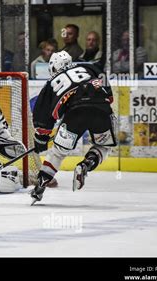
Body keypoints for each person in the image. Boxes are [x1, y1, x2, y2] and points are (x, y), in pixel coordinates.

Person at [30, 51, 116, 204]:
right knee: (104, 145)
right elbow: (108, 94)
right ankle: (86, 164)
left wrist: (41, 138)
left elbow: (42, 115)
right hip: (101, 109)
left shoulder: (51, 82)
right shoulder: (89, 68)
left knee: (58, 153)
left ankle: (41, 185)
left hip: (74, 115)